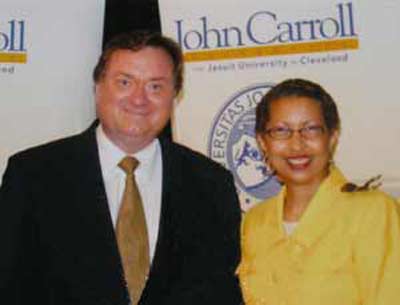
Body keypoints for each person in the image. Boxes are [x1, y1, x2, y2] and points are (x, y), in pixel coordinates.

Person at [0, 31, 242, 305]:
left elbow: (223, 292)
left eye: (155, 86)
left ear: (175, 94)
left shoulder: (210, 182)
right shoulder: (33, 175)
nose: (139, 99)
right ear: (98, 87)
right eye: (125, 82)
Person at [237, 78, 400, 305]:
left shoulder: (374, 212)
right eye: (281, 131)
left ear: (332, 137)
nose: (297, 144)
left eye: (310, 129)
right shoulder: (254, 221)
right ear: (263, 142)